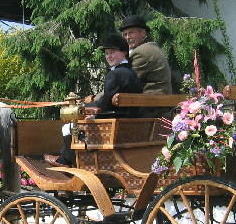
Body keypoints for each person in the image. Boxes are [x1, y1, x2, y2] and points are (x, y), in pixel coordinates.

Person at [44, 33, 142, 166]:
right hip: (130, 121)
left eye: (112, 52)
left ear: (124, 53)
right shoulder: (132, 74)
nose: (109, 57)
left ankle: (66, 160)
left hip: (113, 120)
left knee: (68, 127)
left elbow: (105, 103)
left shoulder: (115, 74)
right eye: (107, 53)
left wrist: (84, 106)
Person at [118, 14, 173, 117]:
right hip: (157, 107)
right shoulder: (151, 47)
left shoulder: (142, 52)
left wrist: (93, 101)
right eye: (125, 34)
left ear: (143, 32)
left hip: (150, 109)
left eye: (131, 33)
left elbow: (121, 83)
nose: (127, 37)